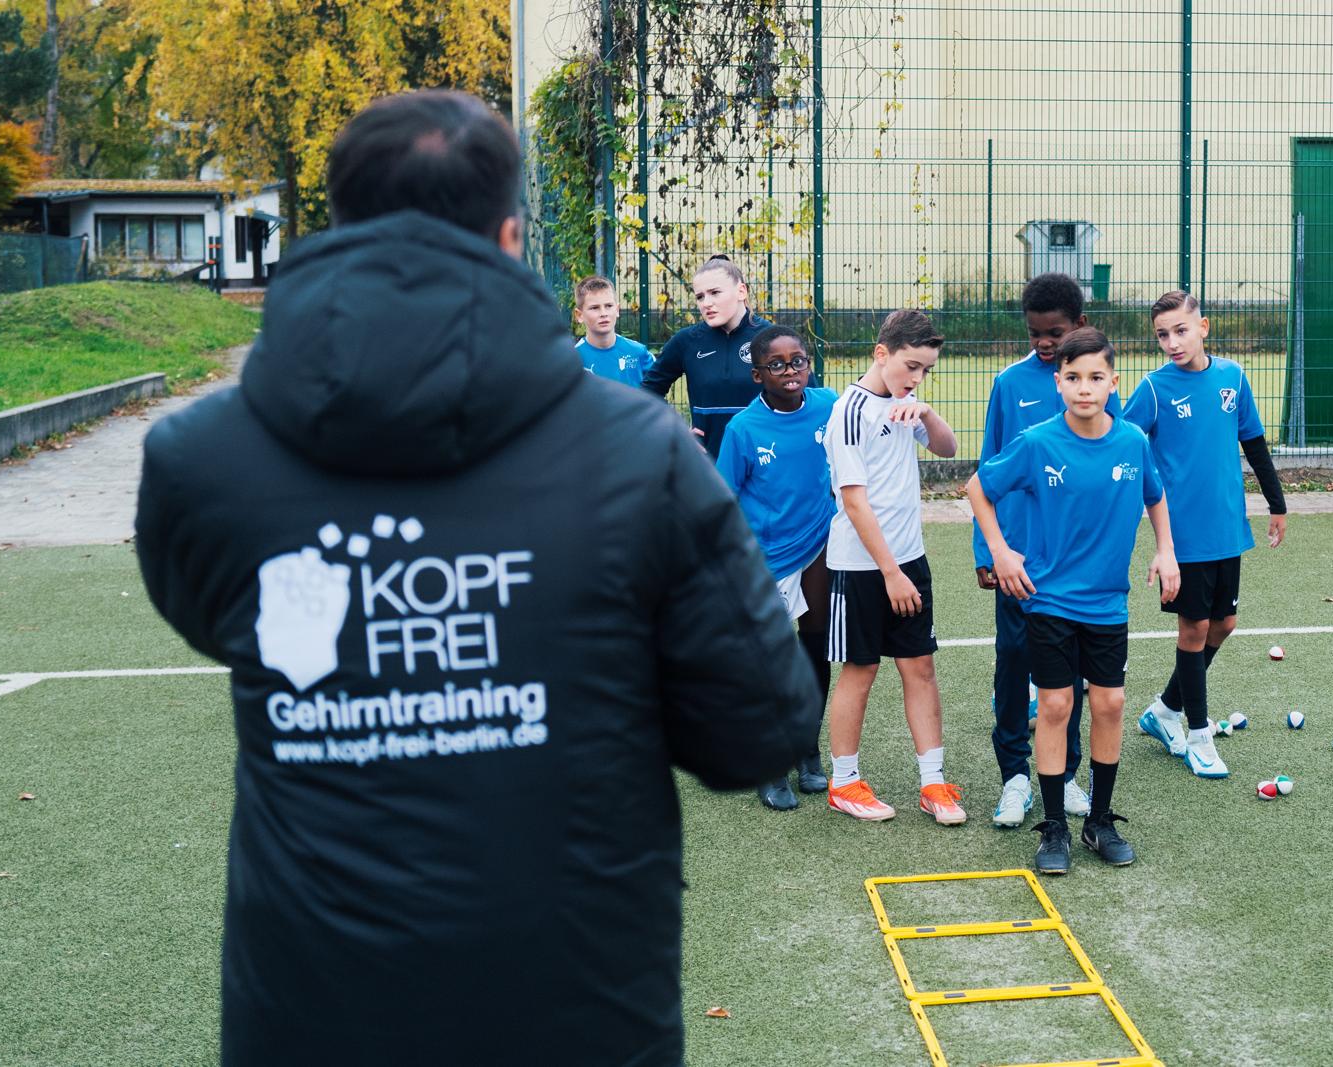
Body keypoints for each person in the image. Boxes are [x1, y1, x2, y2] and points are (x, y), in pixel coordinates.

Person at [133, 89, 820, 1066]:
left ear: (341, 224)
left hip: (316, 1011)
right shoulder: (638, 452)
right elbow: (757, 725)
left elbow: (212, 617)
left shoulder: (198, 459)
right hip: (576, 1007)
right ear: (508, 237)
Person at [967, 327, 1181, 875]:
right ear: (1058, 384)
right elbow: (978, 488)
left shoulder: (1132, 441)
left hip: (1108, 603)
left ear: (1114, 383)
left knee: (1109, 705)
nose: (1085, 388)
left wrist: (1166, 552)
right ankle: (1055, 826)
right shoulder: (1038, 442)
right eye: (1073, 377)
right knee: (1057, 707)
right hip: (1050, 601)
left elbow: (1155, 496)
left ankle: (1099, 821)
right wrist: (1001, 551)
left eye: (1095, 377)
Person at [972, 272, 1122, 831]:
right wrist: (986, 550)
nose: (1042, 342)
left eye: (1053, 333)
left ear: (1079, 325)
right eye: (1034, 332)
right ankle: (1014, 775)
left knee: (1072, 673)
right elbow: (987, 467)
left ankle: (1067, 773)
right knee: (1013, 660)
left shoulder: (1097, 385)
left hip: (1074, 564)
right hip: (1018, 560)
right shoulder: (1009, 383)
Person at [1124, 290, 1288, 780]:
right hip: (1182, 537)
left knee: (1224, 625)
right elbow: (1122, 444)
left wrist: (1277, 504)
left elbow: (1253, 442)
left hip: (1227, 529)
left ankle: (1164, 710)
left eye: (1180, 330)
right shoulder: (1154, 389)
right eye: (1162, 335)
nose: (1172, 342)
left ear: (1203, 327)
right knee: (1193, 630)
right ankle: (1198, 736)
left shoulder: (1232, 377)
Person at [821, 309, 965, 826]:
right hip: (863, 567)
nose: (917, 377)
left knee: (920, 666)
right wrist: (890, 573)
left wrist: (925, 411)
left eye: (926, 369)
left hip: (910, 560)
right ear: (881, 353)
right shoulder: (850, 411)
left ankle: (933, 783)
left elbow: (948, 447)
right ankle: (844, 783)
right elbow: (854, 502)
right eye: (911, 366)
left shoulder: (906, 402)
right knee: (860, 669)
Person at [715, 325, 836, 811]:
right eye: (777, 364)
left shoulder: (829, 405)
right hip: (766, 557)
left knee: (816, 648)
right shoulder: (743, 429)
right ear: (758, 374)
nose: (790, 371)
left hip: (820, 544)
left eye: (798, 360)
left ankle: (807, 748)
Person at [643, 255, 814, 459]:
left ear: (741, 291)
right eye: (700, 297)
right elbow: (646, 394)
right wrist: (674, 432)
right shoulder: (686, 342)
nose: (707, 303)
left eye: (715, 293)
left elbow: (811, 400)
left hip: (767, 462)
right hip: (708, 466)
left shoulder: (775, 339)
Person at [574, 274, 652, 387]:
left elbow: (656, 392)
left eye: (609, 306)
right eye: (594, 308)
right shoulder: (572, 360)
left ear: (617, 310)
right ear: (579, 315)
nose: (603, 313)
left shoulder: (639, 352)